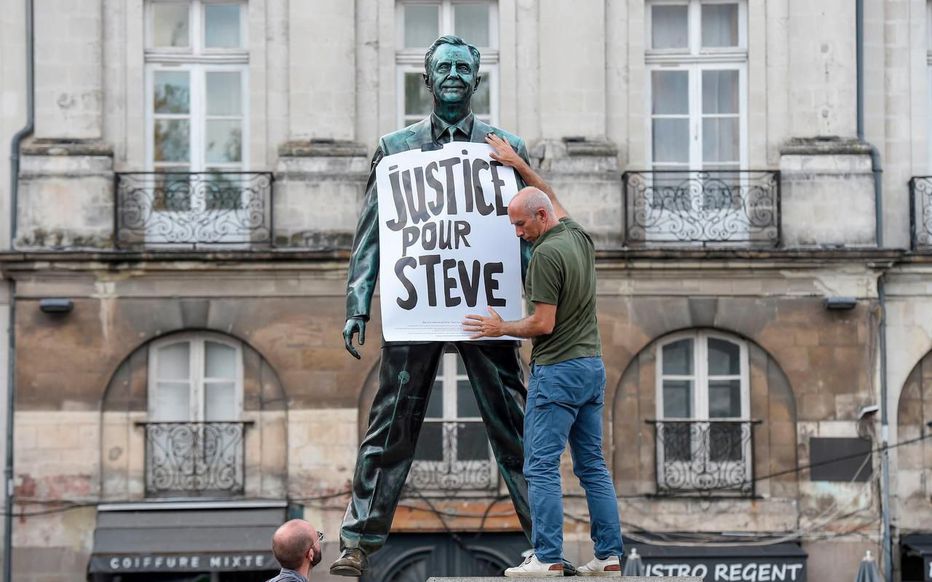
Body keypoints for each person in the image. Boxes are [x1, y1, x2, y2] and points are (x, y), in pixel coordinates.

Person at [332, 35, 537, 577]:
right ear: (427, 79)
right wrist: (358, 303)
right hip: (416, 303)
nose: (453, 75)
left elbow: (527, 232)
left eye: (462, 68)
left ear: (477, 79)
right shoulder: (395, 147)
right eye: (443, 67)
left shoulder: (505, 146)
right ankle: (357, 542)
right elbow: (372, 233)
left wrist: (541, 309)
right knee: (390, 426)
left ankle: (548, 542)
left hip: (485, 305)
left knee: (514, 425)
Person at [464, 135, 625, 577]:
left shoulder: (545, 257)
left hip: (557, 372)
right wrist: (518, 164)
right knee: (592, 466)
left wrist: (499, 327)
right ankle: (609, 557)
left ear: (540, 217)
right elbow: (549, 193)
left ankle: (548, 557)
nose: (518, 233)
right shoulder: (578, 236)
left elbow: (542, 323)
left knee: (539, 465)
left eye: (521, 225)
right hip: (591, 367)